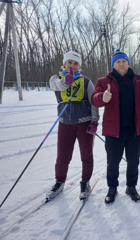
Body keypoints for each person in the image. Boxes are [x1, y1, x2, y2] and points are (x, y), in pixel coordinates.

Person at [91, 49, 140, 204]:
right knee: (113, 162)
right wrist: (102, 97)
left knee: (134, 161)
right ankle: (112, 188)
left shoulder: (138, 81)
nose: (121, 64)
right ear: (113, 64)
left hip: (134, 130)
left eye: (124, 61)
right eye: (118, 62)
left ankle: (131, 187)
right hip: (114, 131)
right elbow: (94, 99)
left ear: (128, 63)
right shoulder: (104, 81)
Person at [47, 51, 99, 201]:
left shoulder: (86, 81)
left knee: (86, 155)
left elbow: (93, 102)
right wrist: (65, 82)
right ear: (64, 64)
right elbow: (56, 86)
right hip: (65, 123)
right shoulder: (56, 79)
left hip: (84, 122)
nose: (72, 65)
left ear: (80, 66)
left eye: (76, 63)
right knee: (63, 156)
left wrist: (94, 121)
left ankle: (85, 183)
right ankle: (59, 182)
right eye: (69, 62)